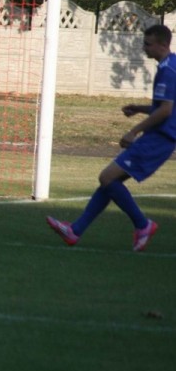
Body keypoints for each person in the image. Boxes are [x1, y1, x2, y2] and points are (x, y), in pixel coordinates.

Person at [47, 23, 176, 251]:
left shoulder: (167, 70)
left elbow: (166, 111)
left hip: (158, 138)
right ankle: (74, 231)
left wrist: (133, 130)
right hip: (160, 137)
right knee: (110, 182)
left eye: (148, 44)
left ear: (163, 44)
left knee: (107, 178)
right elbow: (166, 107)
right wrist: (139, 107)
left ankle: (143, 224)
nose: (144, 48)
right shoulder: (171, 64)